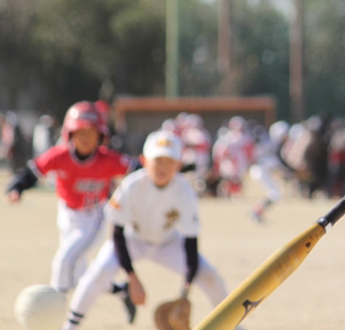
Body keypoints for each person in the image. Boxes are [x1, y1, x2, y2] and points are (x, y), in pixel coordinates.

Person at [62, 130, 230, 329]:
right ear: (144, 160)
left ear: (179, 165)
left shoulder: (185, 192)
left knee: (209, 274)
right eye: (157, 160)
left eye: (169, 161)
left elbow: (190, 241)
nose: (163, 166)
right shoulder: (131, 186)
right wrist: (132, 279)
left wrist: (185, 291)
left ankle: (233, 323)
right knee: (97, 272)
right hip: (132, 240)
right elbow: (117, 234)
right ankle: (70, 326)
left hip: (169, 243)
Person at [6, 101, 136, 297]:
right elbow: (31, 172)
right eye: (80, 133)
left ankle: (55, 305)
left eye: (90, 133)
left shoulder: (109, 159)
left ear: (100, 136)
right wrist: (16, 188)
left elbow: (139, 169)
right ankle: (120, 290)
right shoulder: (59, 156)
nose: (85, 138)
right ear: (69, 134)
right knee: (79, 273)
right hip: (66, 215)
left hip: (94, 216)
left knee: (64, 261)